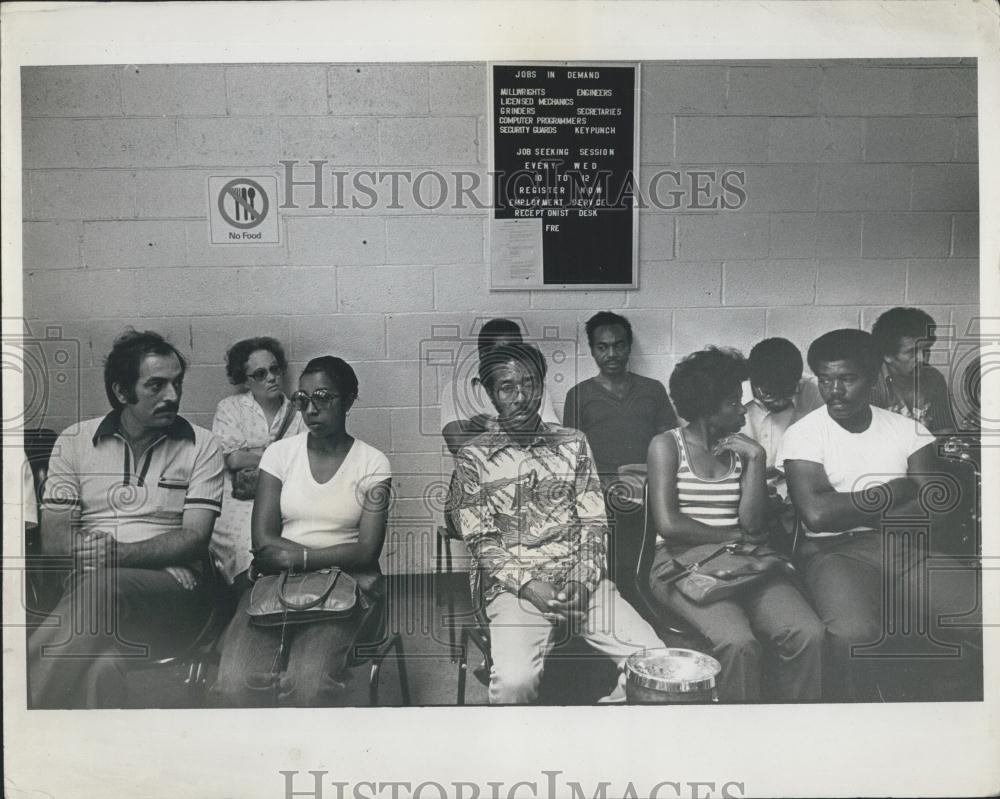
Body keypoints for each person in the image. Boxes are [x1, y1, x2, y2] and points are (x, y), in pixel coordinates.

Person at [448, 342, 664, 705]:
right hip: (515, 588)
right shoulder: (474, 457)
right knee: (515, 682)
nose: (521, 397)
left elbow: (595, 523)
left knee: (653, 662)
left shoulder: (573, 443)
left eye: (530, 384)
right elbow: (481, 541)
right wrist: (531, 586)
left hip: (583, 582)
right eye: (507, 387)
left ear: (542, 386)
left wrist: (581, 581)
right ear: (490, 394)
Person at [779, 329, 982, 700]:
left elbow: (935, 507)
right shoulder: (803, 435)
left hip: (907, 548)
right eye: (825, 380)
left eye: (847, 379)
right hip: (834, 553)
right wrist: (895, 490)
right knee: (853, 635)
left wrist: (860, 511)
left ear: (873, 379)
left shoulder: (907, 430)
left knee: (981, 615)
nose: (834, 391)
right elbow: (818, 515)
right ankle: (854, 727)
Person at [28, 330, 224, 708]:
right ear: (121, 392)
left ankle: (18, 718)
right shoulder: (74, 441)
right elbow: (55, 541)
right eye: (156, 385)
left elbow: (194, 538)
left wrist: (119, 556)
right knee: (102, 665)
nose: (172, 396)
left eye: (176, 383)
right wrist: (158, 555)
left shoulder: (203, 444)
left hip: (174, 600)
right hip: (94, 596)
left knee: (103, 587)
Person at [646, 347, 824, 702]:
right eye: (732, 403)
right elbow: (669, 524)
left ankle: (800, 731)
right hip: (680, 563)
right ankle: (737, 740)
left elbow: (754, 526)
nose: (743, 410)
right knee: (737, 642)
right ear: (707, 409)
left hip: (744, 558)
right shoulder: (666, 445)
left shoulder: (745, 450)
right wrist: (731, 535)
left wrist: (756, 459)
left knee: (808, 632)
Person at [212, 356, 391, 707]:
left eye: (323, 397)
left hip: (342, 588)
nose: (311, 409)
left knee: (307, 685)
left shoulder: (373, 462)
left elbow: (368, 550)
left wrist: (294, 556)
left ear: (350, 398)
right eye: (302, 400)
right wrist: (327, 557)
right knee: (234, 683)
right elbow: (263, 540)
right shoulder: (279, 455)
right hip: (277, 582)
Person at [210, 337, 304, 601]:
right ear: (246, 379)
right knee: (245, 545)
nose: (271, 378)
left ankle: (283, 605)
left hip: (283, 497)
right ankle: (246, 605)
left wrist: (254, 454)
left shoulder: (298, 413)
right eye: (260, 374)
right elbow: (234, 460)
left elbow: (303, 461)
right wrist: (279, 457)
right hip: (238, 499)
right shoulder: (231, 408)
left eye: (275, 369)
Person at [563, 311, 678, 485]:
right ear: (592, 350)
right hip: (599, 492)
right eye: (602, 347)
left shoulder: (653, 389)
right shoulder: (578, 395)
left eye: (619, 345)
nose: (611, 354)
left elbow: (671, 444)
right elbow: (572, 455)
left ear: (629, 346)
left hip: (649, 487)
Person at [440, 318, 559, 456]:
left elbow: (552, 438)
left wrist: (485, 423)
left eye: (518, 349)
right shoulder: (457, 389)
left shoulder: (532, 388)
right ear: (483, 355)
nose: (514, 358)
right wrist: (511, 429)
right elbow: (457, 444)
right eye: (504, 351)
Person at [870, 307, 956, 434]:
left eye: (926, 349)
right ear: (887, 355)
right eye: (911, 352)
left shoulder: (934, 378)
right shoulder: (871, 384)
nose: (922, 358)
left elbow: (945, 431)